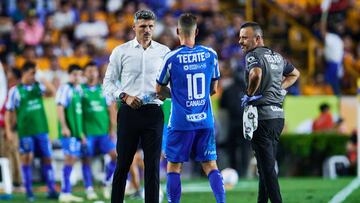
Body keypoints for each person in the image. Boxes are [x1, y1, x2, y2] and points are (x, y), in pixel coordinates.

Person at [156, 13, 226, 203]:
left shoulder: (171, 58)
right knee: (210, 165)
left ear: (177, 31)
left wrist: (178, 97)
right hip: (204, 120)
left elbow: (159, 89)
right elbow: (214, 89)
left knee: (174, 166)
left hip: (180, 122)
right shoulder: (210, 54)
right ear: (196, 31)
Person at [103, 9, 170, 203]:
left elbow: (170, 85)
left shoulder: (164, 52)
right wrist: (124, 96)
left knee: (152, 166)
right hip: (129, 112)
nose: (147, 30)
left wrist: (166, 93)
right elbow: (108, 84)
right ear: (134, 27)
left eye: (150, 26)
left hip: (153, 112)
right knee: (123, 163)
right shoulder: (120, 51)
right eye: (142, 26)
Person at [238, 22, 300, 203]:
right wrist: (279, 90)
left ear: (257, 38)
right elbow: (295, 74)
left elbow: (255, 74)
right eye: (240, 37)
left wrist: (249, 95)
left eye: (244, 37)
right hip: (277, 117)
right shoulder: (277, 56)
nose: (240, 41)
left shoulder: (253, 55)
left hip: (262, 118)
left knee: (267, 170)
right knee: (266, 168)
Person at [4, 61, 58, 201]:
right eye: (32, 73)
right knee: (27, 159)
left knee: (47, 158)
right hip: (26, 132)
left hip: (41, 130)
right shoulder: (15, 91)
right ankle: (29, 191)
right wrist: (9, 131)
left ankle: (51, 189)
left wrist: (42, 77)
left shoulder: (38, 87)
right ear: (24, 73)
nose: (34, 76)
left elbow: (52, 92)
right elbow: (9, 112)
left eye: (35, 73)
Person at [81, 62, 117, 200]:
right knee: (86, 160)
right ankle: (89, 188)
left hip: (103, 133)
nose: (92, 73)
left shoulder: (104, 90)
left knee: (115, 156)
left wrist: (112, 129)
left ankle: (106, 182)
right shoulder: (80, 90)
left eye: (94, 71)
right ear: (85, 74)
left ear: (97, 73)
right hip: (88, 133)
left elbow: (111, 111)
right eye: (89, 71)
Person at [56, 64, 84, 203]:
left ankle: (67, 191)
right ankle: (64, 192)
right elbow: (60, 107)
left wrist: (81, 133)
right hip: (68, 132)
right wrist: (64, 127)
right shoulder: (65, 88)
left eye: (79, 74)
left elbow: (78, 113)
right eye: (74, 74)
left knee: (72, 159)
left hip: (76, 132)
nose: (77, 77)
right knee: (69, 159)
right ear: (69, 75)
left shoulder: (78, 89)